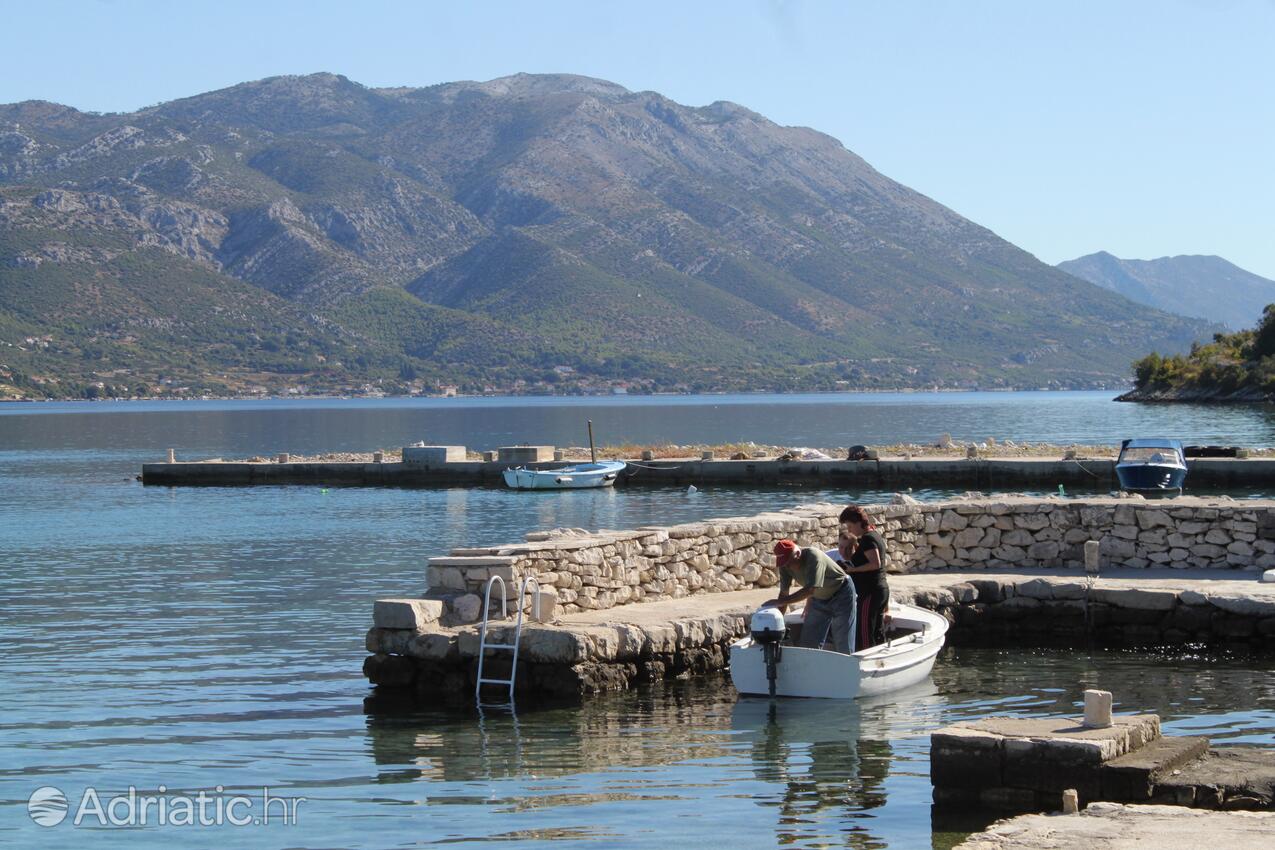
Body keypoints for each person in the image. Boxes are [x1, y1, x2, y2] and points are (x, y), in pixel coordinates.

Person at [767, 538, 855, 654]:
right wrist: (777, 621)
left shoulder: (813, 556)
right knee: (808, 644)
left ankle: (847, 670)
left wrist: (781, 602)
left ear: (797, 554)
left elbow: (810, 589)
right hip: (818, 599)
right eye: (783, 563)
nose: (787, 566)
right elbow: (784, 594)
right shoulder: (785, 566)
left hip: (841, 594)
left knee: (843, 644)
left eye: (789, 562)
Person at [839, 505, 889, 649]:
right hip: (880, 590)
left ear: (857, 522)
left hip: (870, 593)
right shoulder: (874, 535)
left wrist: (854, 569)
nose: (849, 530)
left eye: (849, 526)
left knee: (865, 633)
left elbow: (875, 563)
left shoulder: (867, 539)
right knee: (877, 631)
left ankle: (865, 663)